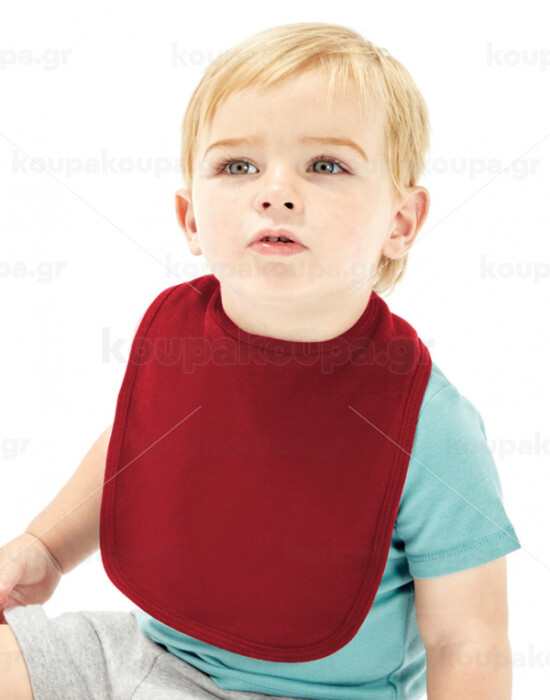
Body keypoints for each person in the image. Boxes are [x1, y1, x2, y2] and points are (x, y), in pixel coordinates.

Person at [0, 21, 521, 700]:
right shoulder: (177, 338)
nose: (275, 192)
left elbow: (467, 642)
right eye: (237, 166)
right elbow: (133, 450)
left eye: (325, 166)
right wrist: (45, 548)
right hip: (148, 652)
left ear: (401, 222)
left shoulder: (426, 420)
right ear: (190, 217)